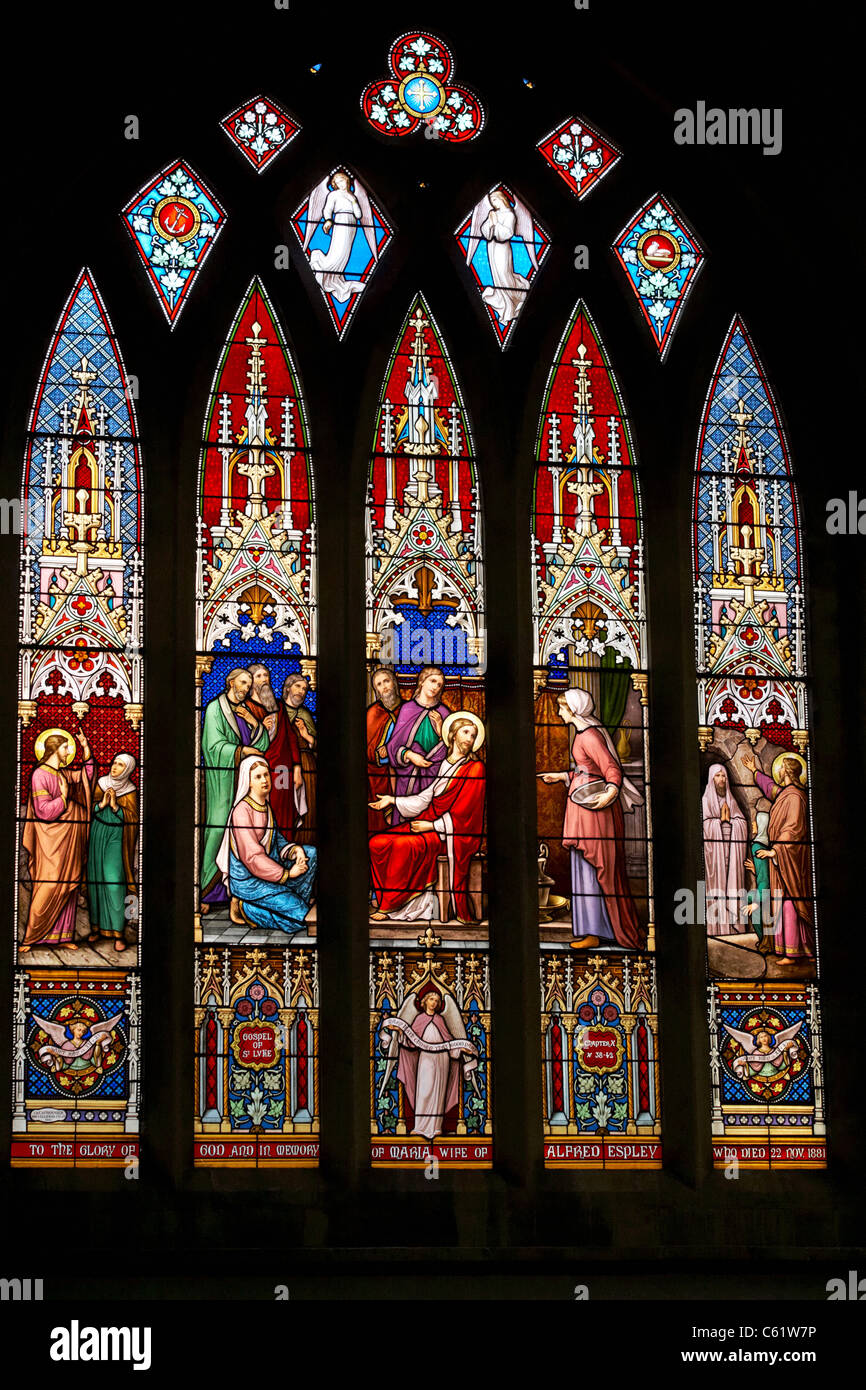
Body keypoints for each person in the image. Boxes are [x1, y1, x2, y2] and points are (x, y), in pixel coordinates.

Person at [539, 687, 645, 950]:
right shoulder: (583, 734)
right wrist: (563, 777)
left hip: (594, 811)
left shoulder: (589, 736)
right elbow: (587, 771)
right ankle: (592, 929)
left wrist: (610, 792)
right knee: (584, 865)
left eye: (562, 707)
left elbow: (610, 768)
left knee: (596, 867)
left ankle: (598, 930)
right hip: (583, 807)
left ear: (573, 709)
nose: (559, 712)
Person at [369, 712, 485, 922]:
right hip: (429, 821)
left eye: (474, 735)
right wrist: (392, 800)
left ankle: (391, 906)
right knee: (377, 842)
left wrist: (430, 826)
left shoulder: (475, 769)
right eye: (465, 732)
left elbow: (466, 814)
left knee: (403, 846)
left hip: (449, 834)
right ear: (452, 735)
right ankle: (386, 896)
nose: (470, 738)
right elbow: (425, 798)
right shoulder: (444, 764)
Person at [215, 757, 317, 934]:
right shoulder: (241, 811)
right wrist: (287, 873)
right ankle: (245, 908)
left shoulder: (266, 807)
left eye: (266, 775)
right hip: (250, 882)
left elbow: (277, 842)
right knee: (301, 920)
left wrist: (296, 851)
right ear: (248, 781)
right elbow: (252, 857)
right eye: (258, 777)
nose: (264, 780)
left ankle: (292, 899)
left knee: (311, 853)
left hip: (269, 873)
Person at [20, 729, 95, 953]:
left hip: (69, 840)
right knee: (49, 886)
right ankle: (32, 936)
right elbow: (43, 812)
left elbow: (85, 776)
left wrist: (85, 748)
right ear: (54, 749)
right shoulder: (39, 775)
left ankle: (61, 936)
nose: (68, 751)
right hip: (49, 843)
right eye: (65, 747)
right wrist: (63, 798)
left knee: (67, 888)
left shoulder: (61, 773)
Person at [200, 669, 269, 909]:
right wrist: (241, 751)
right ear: (230, 682)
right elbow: (212, 746)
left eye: (249, 685)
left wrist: (253, 723)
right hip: (223, 780)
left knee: (245, 833)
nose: (246, 688)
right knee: (219, 829)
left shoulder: (245, 710)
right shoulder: (214, 709)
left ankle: (237, 890)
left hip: (245, 782)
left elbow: (262, 745)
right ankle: (206, 889)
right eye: (243, 682)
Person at [379, 982, 479, 1140]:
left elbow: (449, 1040)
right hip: (425, 1059)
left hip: (442, 1060)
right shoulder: (419, 1019)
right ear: (425, 1001)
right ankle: (420, 1127)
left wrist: (461, 1049)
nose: (435, 1002)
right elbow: (410, 1042)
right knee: (424, 1091)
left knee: (438, 1093)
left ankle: (436, 1127)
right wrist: (401, 1032)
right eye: (432, 999)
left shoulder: (440, 1020)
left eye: (437, 1000)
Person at [742, 750, 815, 964]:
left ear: (788, 771)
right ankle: (791, 950)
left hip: (791, 858)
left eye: (782, 766)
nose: (779, 770)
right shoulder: (786, 793)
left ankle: (796, 952)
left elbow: (793, 828)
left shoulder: (795, 797)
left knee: (790, 902)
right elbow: (770, 789)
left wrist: (776, 850)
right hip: (782, 860)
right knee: (782, 902)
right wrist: (755, 771)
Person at [86, 751, 138, 951]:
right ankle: (96, 929)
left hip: (117, 838)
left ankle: (119, 933)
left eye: (120, 765)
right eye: (114, 763)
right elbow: (89, 809)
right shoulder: (101, 783)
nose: (114, 767)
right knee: (96, 881)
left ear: (128, 770)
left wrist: (116, 807)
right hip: (98, 834)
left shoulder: (130, 790)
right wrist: (102, 804)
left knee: (114, 884)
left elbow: (133, 818)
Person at [246, 664, 305, 837]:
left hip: (282, 770)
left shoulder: (278, 706)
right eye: (258, 676)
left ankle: (284, 851)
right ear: (251, 682)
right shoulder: (246, 708)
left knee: (283, 811)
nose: (264, 679)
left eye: (266, 675)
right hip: (258, 770)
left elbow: (291, 738)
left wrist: (297, 768)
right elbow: (242, 741)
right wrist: (260, 729)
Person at [385, 666, 451, 817]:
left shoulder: (444, 713)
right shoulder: (407, 709)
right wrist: (409, 755)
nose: (435, 687)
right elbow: (393, 747)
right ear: (422, 682)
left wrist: (442, 731)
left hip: (435, 778)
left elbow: (452, 751)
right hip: (408, 778)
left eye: (439, 685)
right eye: (433, 681)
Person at [304, 169, 378, 302]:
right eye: (337, 182)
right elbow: (327, 209)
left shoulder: (353, 196)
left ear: (347, 180)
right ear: (335, 184)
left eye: (342, 180)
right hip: (340, 221)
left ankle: (335, 277)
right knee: (338, 250)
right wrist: (328, 220)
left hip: (352, 224)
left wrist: (353, 200)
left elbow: (359, 215)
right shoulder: (333, 195)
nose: (340, 184)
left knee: (345, 253)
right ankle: (325, 271)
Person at [470, 188, 536, 328]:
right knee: (496, 275)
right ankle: (503, 301)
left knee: (503, 273)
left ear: (502, 199)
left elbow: (507, 233)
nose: (493, 203)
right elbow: (485, 231)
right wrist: (491, 223)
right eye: (491, 201)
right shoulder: (493, 214)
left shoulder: (510, 215)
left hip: (503, 248)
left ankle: (510, 304)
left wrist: (496, 224)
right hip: (492, 247)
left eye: (495, 200)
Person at [701, 763, 748, 935]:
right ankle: (716, 929)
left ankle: (731, 928)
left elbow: (742, 822)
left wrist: (733, 823)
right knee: (716, 889)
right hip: (714, 856)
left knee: (731, 886)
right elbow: (703, 827)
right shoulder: (706, 801)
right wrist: (719, 821)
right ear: (711, 779)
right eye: (718, 776)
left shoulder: (731, 799)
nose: (721, 779)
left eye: (724, 776)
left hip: (731, 852)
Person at [281, 674, 317, 844]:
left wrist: (306, 735)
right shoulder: (277, 710)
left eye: (304, 689)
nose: (301, 692)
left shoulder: (305, 714)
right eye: (298, 687)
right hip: (282, 765)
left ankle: (304, 844)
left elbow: (317, 744)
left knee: (308, 809)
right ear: (288, 688)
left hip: (306, 764)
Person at [366, 667, 403, 832]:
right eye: (379, 684)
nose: (384, 686)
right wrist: (379, 753)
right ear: (376, 690)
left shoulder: (409, 709)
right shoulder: (373, 713)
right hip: (379, 774)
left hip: (406, 769)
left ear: (394, 683)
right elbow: (366, 747)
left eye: (386, 681)